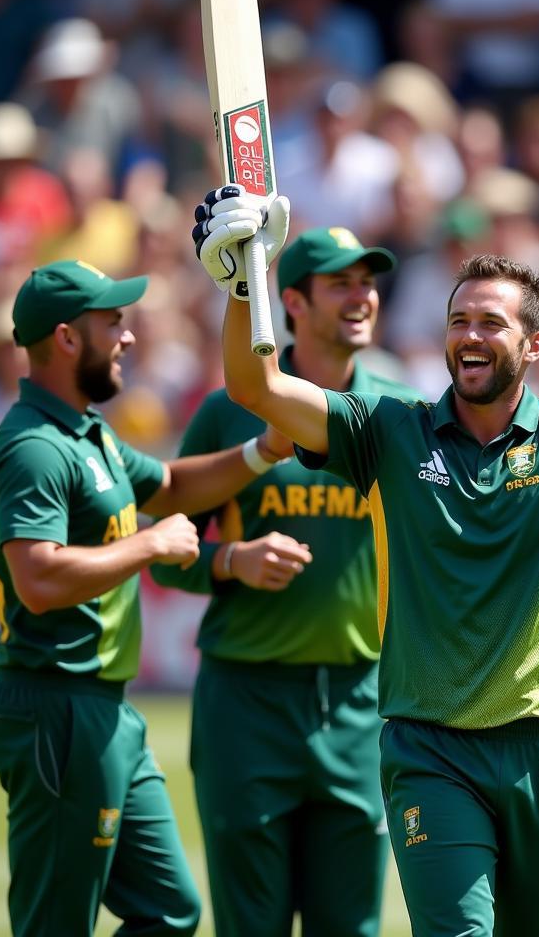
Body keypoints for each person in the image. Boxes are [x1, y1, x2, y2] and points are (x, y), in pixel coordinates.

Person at [191, 151, 539, 936]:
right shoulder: (386, 431)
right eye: (458, 320)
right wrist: (243, 284)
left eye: (492, 323)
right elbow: (256, 387)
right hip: (429, 751)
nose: (470, 335)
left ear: (534, 347)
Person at [0, 259, 296, 937]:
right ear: (67, 339)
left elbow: (172, 488)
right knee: (54, 924)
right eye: (112, 322)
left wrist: (264, 450)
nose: (127, 337)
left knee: (170, 912)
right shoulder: (34, 447)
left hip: (101, 707)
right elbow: (37, 580)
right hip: (55, 704)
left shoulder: (85, 432)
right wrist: (147, 549)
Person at [150, 227, 422, 937]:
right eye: (341, 284)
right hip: (247, 704)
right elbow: (161, 549)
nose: (363, 296)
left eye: (368, 281)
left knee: (352, 925)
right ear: (292, 303)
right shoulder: (229, 410)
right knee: (250, 925)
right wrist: (229, 562)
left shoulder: (402, 412)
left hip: (362, 705)